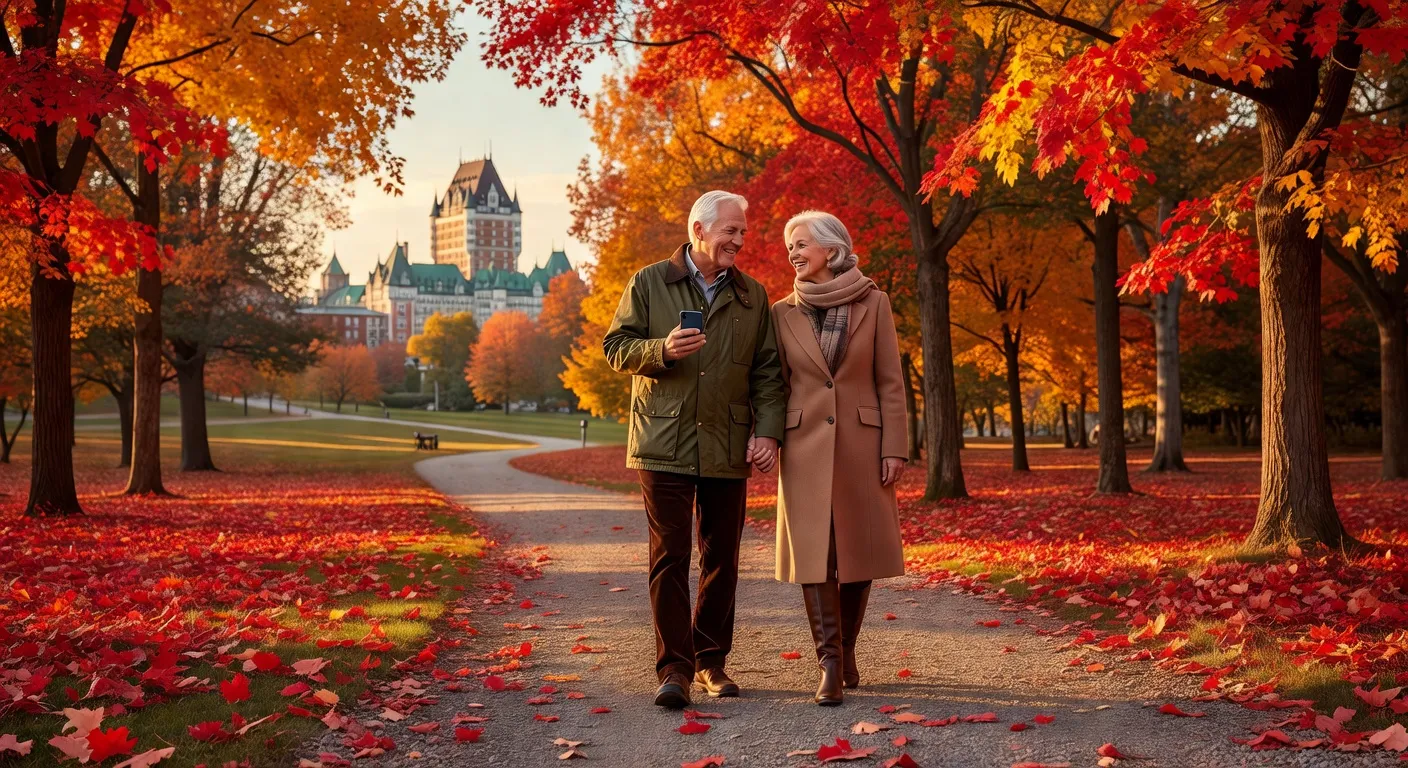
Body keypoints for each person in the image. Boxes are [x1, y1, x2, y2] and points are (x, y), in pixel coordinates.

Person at [602, 190, 786, 709]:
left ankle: (711, 661)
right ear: (700, 229)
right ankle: (674, 671)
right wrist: (659, 350)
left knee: (722, 558)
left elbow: (769, 374)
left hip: (727, 443)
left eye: (743, 232)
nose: (739, 240)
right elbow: (615, 348)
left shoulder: (754, 296)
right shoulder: (648, 281)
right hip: (664, 442)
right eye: (731, 230)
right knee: (670, 557)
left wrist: (767, 432)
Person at [770, 210, 907, 706]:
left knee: (858, 551)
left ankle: (846, 648)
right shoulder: (781, 311)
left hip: (863, 443)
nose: (794, 253)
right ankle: (828, 662)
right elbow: (774, 386)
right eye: (790, 247)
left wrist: (894, 447)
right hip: (802, 444)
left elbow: (890, 382)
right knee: (815, 554)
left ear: (830, 248)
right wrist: (766, 438)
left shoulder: (875, 303)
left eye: (801, 243)